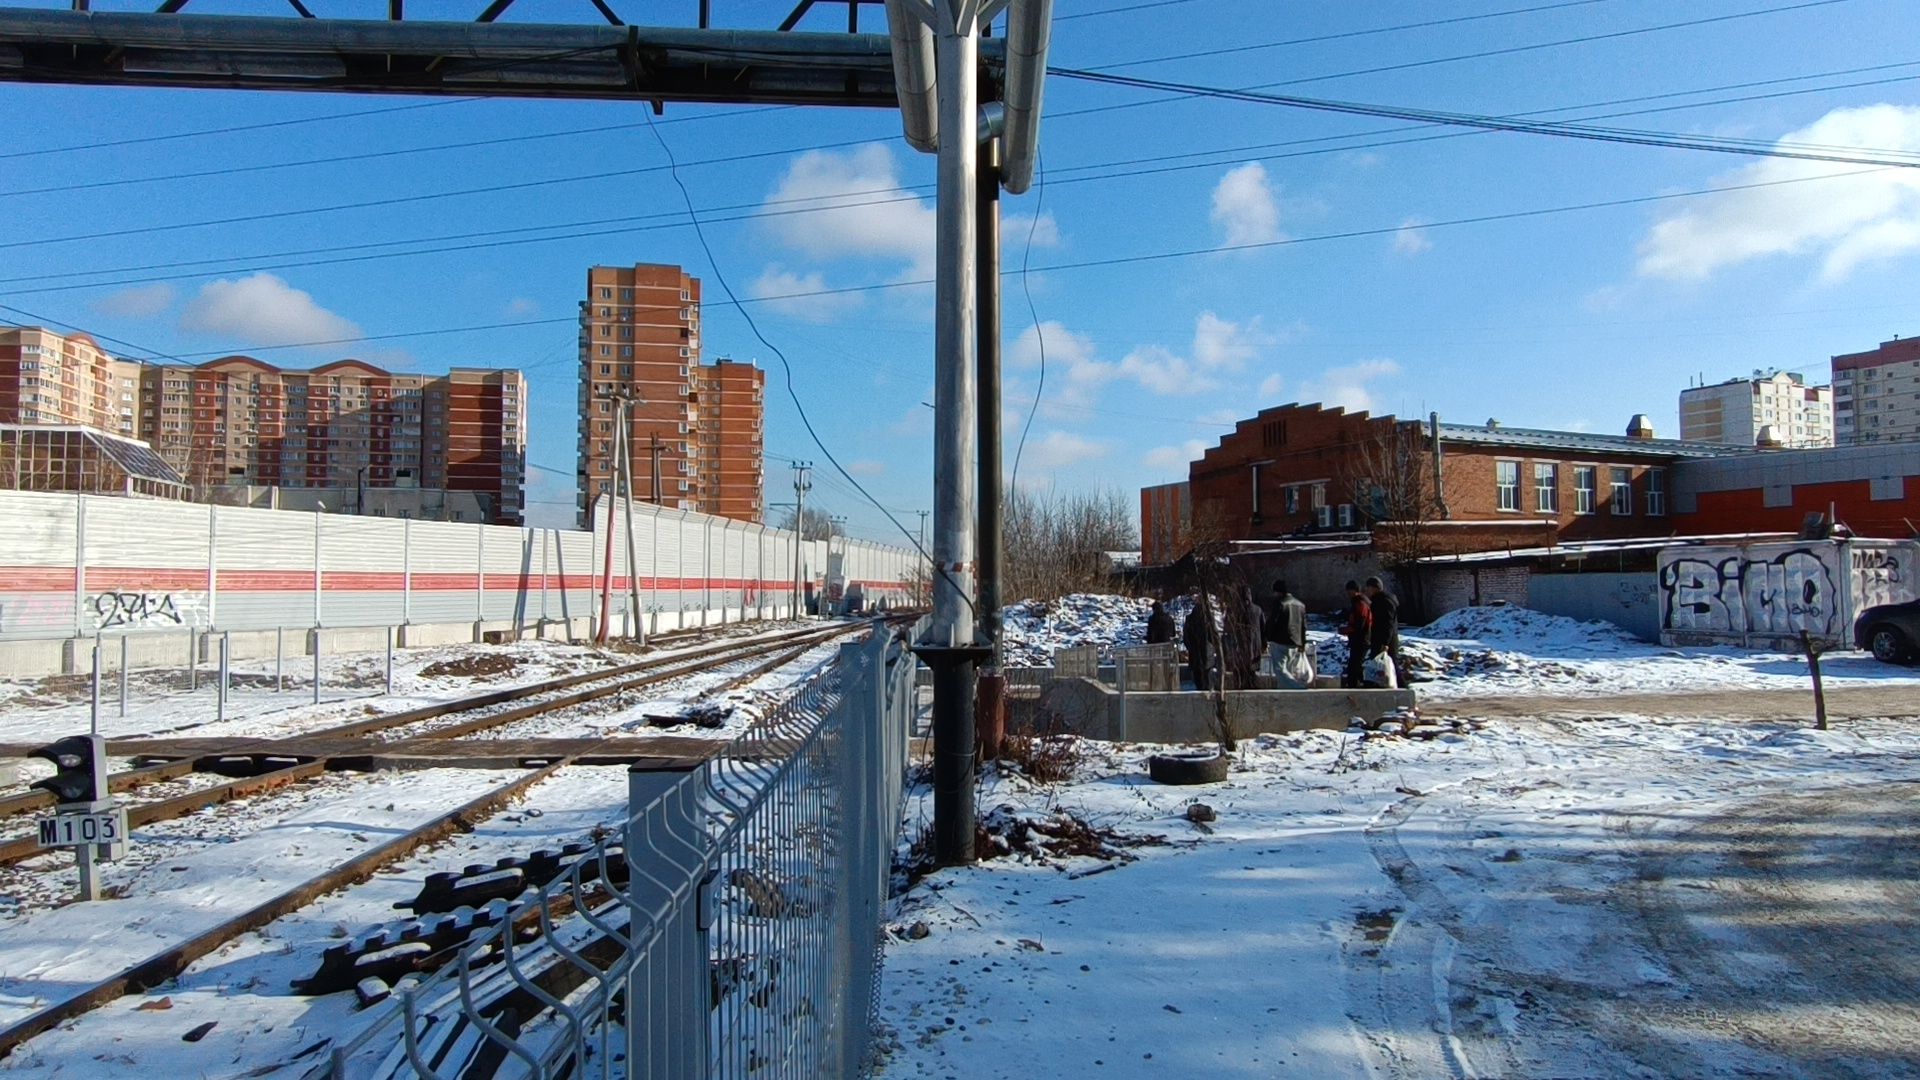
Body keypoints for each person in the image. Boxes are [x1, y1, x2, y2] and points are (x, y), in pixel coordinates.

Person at [1264, 580, 1313, 689]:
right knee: (1290, 671)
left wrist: (1267, 637)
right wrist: (1302, 643)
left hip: (1279, 642)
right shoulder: (1300, 605)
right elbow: (1303, 626)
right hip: (1295, 643)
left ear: (1278, 592)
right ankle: (1287, 694)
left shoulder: (1280, 604)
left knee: (1280, 671)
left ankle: (1298, 689)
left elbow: (1272, 622)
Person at [1363, 576, 1402, 687]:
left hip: (1384, 641)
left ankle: (1403, 693)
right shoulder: (1379, 600)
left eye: (1369, 588)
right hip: (1380, 640)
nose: (1367, 590)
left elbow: (1387, 624)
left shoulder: (1384, 602)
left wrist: (1385, 642)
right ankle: (1379, 690)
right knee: (1380, 667)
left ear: (1375, 588)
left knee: (1391, 666)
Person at [1342, 580, 1373, 689]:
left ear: (1355, 591)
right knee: (1357, 664)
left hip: (1361, 639)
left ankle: (1354, 687)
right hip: (1361, 639)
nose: (1348, 594)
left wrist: (1346, 630)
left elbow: (1359, 624)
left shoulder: (1360, 603)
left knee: (1354, 665)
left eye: (1349, 591)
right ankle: (1360, 684)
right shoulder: (1361, 602)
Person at [1182, 595, 1213, 692]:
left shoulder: (1190, 619)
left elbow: (1186, 636)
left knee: (1197, 675)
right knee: (1207, 675)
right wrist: (1212, 647)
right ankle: (1206, 691)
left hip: (1194, 652)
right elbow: (1212, 637)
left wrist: (1189, 647)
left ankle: (1199, 690)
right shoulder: (1208, 620)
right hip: (1206, 652)